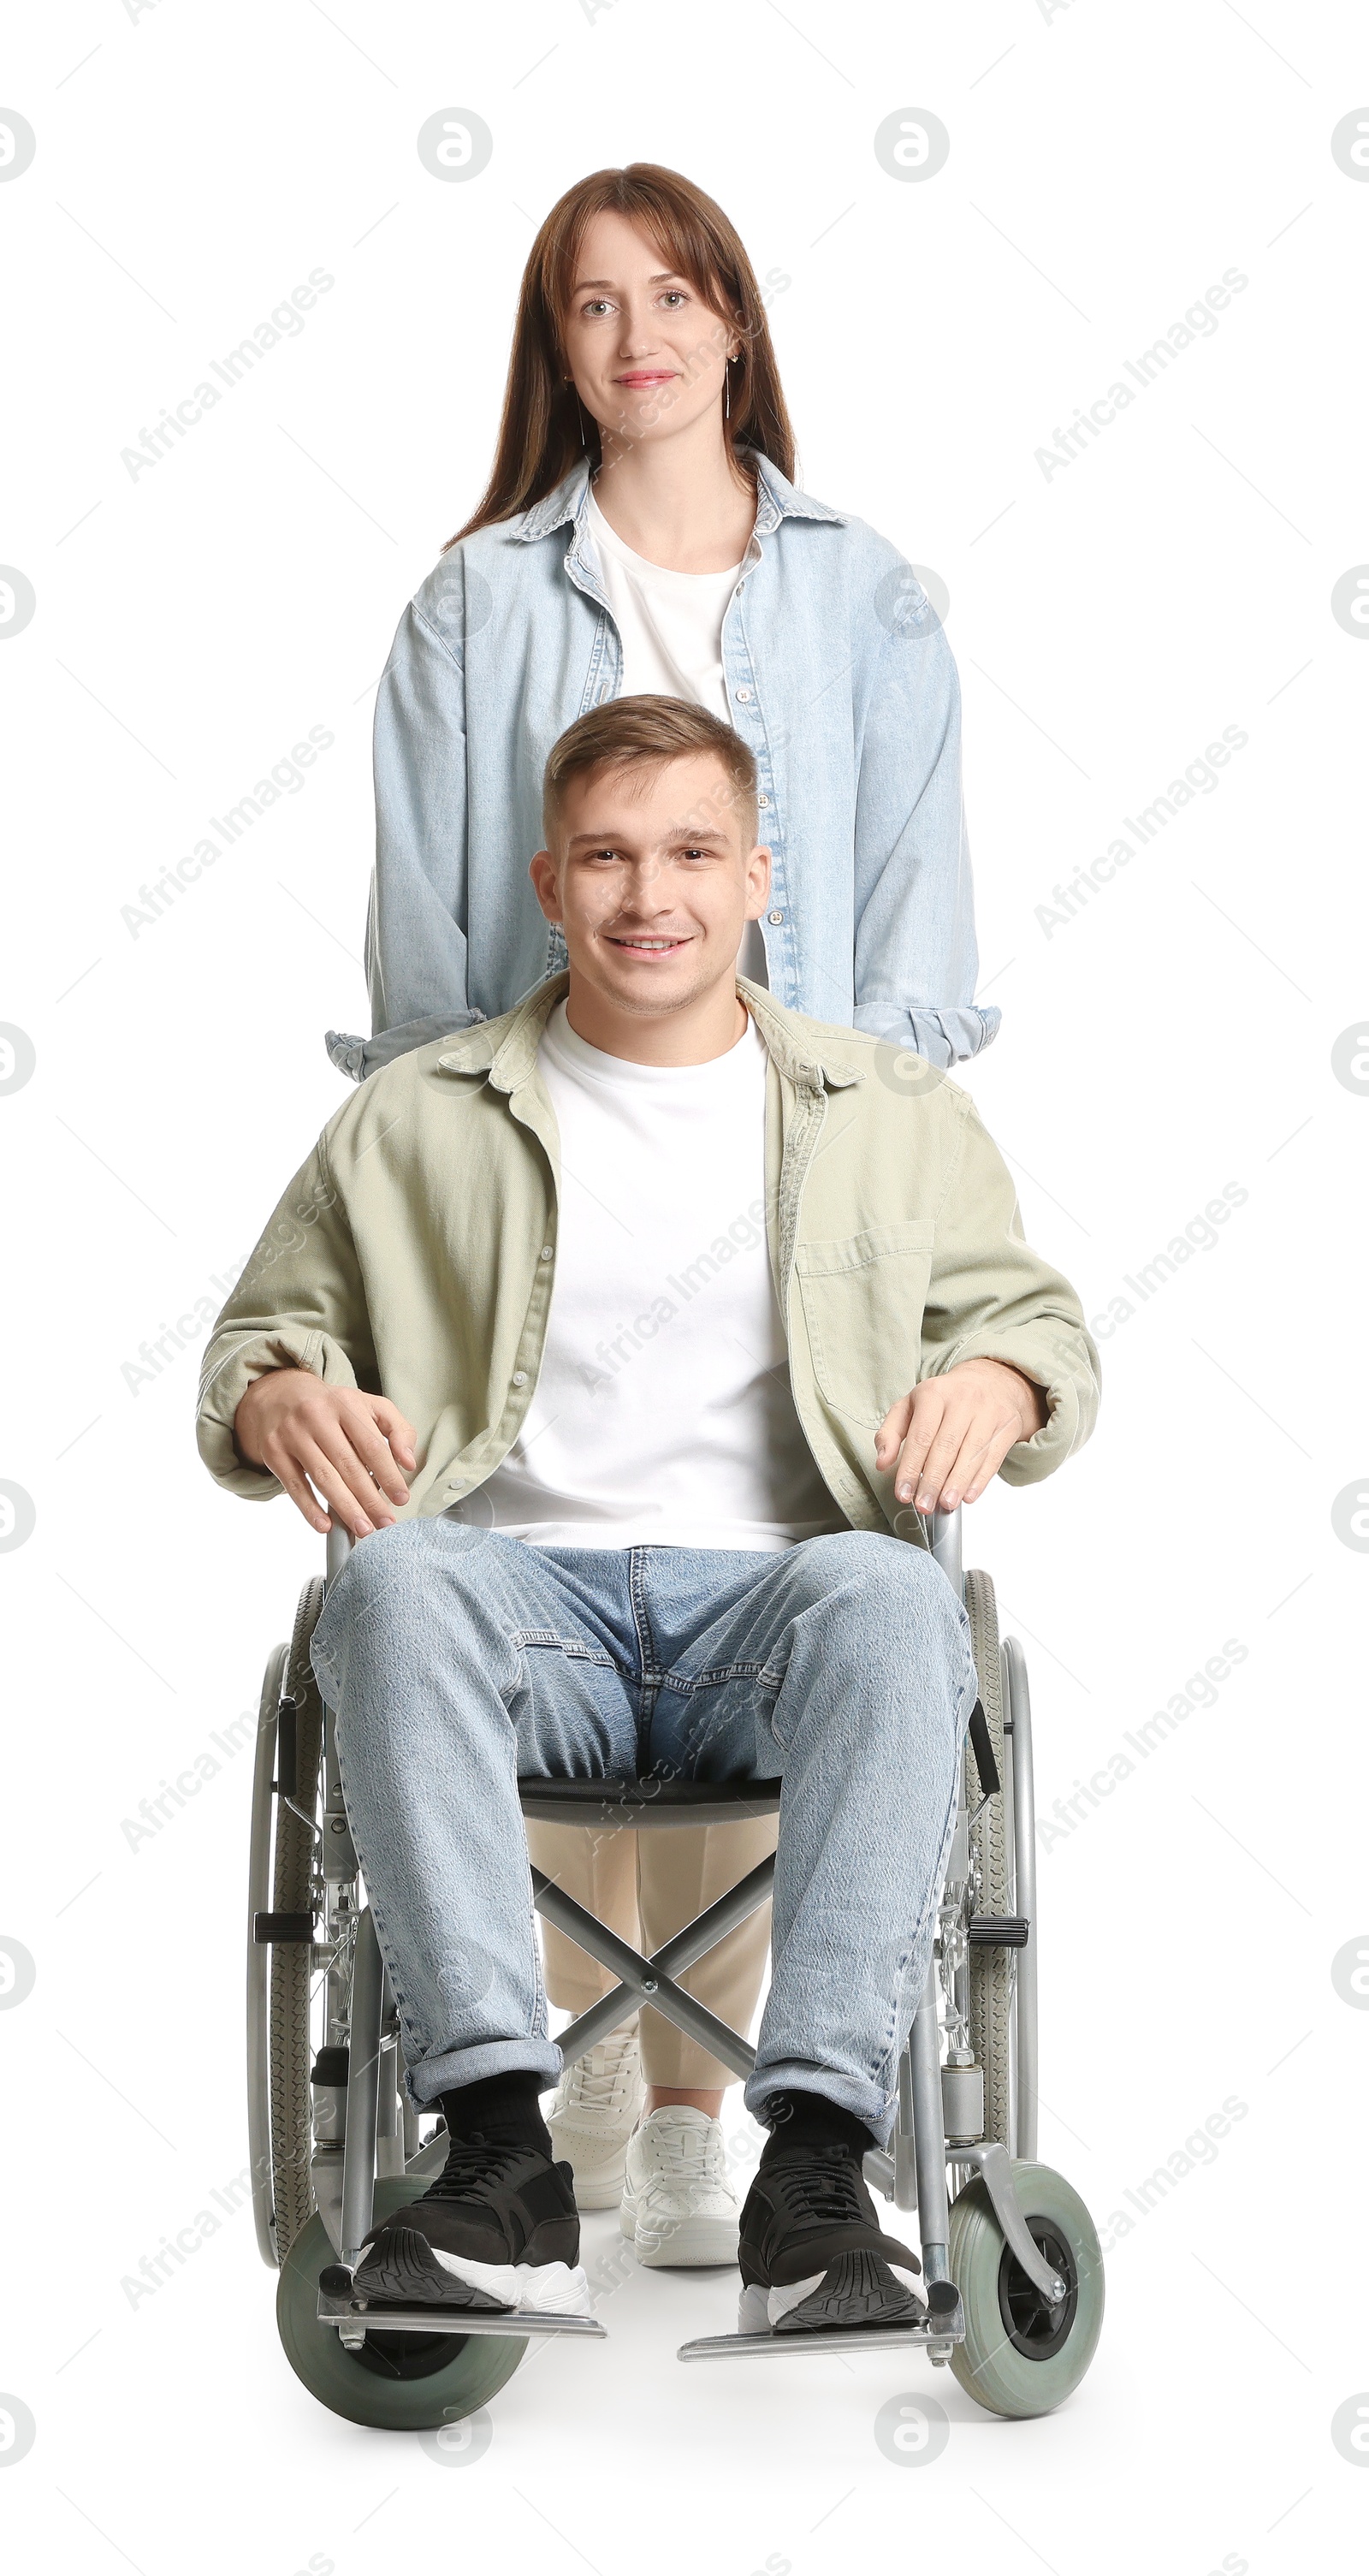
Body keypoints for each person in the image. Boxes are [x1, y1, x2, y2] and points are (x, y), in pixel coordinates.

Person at [200, 700, 1098, 2331]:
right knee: (385, 1587)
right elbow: (262, 1340)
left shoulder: (889, 1112)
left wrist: (1004, 1388)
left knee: (900, 1601)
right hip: (515, 1605)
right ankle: (493, 2150)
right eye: (607, 855)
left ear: (759, 874)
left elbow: (1036, 1327)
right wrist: (276, 1400)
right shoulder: (417, 1116)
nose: (648, 894)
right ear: (550, 880)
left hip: (779, 1611)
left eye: (691, 851)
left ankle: (818, 2167)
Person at [324, 163, 1003, 2243]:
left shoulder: (864, 590)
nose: (638, 338)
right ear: (557, 352)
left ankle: (715, 2091)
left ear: (732, 317)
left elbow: (908, 932)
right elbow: (437, 960)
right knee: (532, 1511)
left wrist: (852, 1151)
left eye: (674, 294)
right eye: (591, 308)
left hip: (807, 1168)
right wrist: (467, 1168)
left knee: (790, 1536)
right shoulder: (471, 606)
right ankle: (550, 2078)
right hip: (548, 1135)